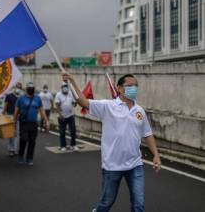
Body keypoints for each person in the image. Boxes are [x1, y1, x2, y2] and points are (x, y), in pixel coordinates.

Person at [62, 72, 161, 212]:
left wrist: (156, 155)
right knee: (106, 203)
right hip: (112, 166)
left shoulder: (140, 111)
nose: (134, 88)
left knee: (139, 204)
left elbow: (148, 134)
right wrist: (71, 81)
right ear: (119, 88)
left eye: (136, 86)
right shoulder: (108, 106)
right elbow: (82, 101)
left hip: (135, 165)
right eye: (130, 85)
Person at [14, 82, 50, 165]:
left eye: (32, 88)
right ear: (26, 89)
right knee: (24, 139)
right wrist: (14, 122)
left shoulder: (37, 98)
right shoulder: (21, 98)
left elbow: (41, 110)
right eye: (29, 88)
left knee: (32, 141)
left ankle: (29, 158)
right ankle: (20, 155)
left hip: (33, 123)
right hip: (24, 123)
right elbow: (16, 111)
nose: (31, 89)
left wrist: (46, 120)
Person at [55, 82, 78, 151]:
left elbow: (74, 104)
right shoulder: (58, 94)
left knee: (73, 130)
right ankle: (63, 146)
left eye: (66, 86)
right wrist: (60, 114)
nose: (65, 88)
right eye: (63, 87)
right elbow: (57, 105)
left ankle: (73, 145)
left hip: (70, 115)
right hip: (62, 116)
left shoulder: (71, 94)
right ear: (61, 88)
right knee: (62, 132)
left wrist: (76, 101)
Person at [3, 85, 21, 156]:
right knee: (11, 134)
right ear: (15, 88)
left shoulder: (20, 97)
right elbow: (5, 105)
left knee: (16, 134)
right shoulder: (9, 96)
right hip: (10, 116)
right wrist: (3, 113)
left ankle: (15, 149)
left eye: (19, 88)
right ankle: (11, 149)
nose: (18, 89)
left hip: (18, 117)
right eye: (17, 87)